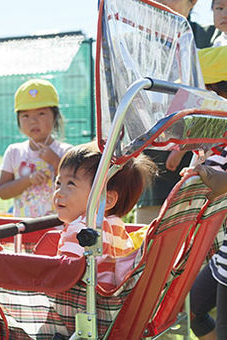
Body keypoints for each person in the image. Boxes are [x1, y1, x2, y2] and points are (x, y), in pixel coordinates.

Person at [136, 0, 217, 224]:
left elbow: (210, 96)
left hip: (200, 169)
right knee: (148, 239)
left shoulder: (208, 37)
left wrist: (184, 145)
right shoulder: (140, 38)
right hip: (153, 164)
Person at [52, 142, 157, 290]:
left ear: (106, 200)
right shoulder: (116, 227)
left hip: (79, 305)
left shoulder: (82, 230)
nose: (59, 193)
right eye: (58, 182)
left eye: (71, 184)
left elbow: (62, 275)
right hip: (107, 301)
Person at [186, 45, 227, 340]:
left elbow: (218, 181)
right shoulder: (218, 137)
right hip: (222, 257)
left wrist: (208, 175)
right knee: (192, 310)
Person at [0, 79, 72, 217]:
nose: (33, 120)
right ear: (18, 119)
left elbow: (75, 188)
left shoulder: (67, 152)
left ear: (55, 116)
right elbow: (3, 192)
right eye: (25, 115)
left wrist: (56, 161)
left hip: (57, 229)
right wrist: (28, 179)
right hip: (22, 231)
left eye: (41, 113)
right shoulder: (14, 152)